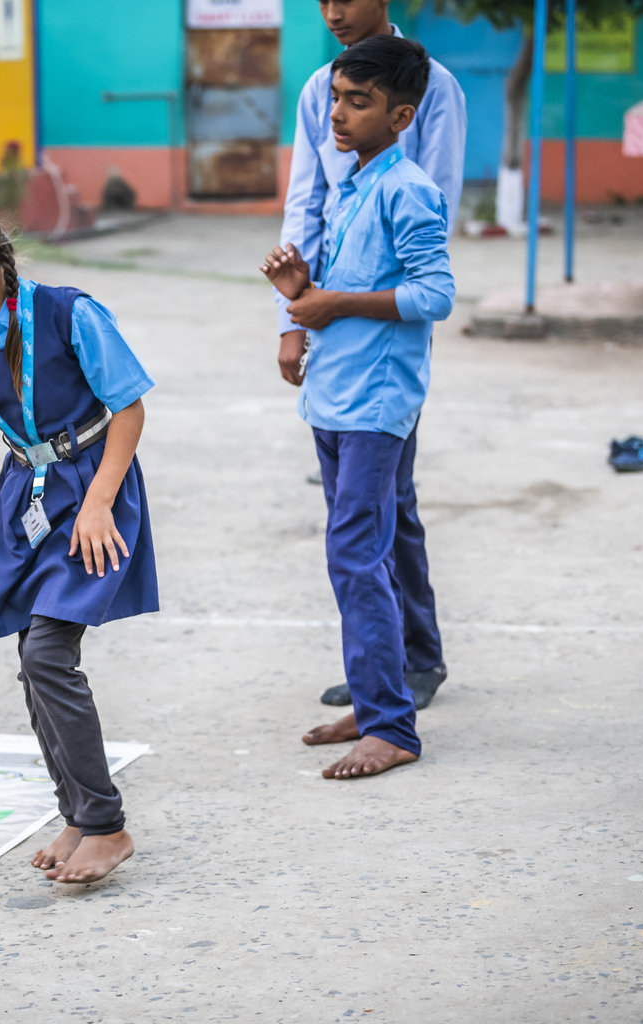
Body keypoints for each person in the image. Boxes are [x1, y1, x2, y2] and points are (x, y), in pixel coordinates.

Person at [0, 197, 157, 883]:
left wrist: (101, 502)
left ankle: (106, 824)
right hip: (27, 498)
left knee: (48, 652)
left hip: (92, 488)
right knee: (33, 659)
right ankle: (77, 812)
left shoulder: (69, 313)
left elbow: (129, 407)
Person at [261, 34, 455, 778]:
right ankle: (380, 697)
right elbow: (344, 289)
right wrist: (303, 292)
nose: (338, 114)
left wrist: (333, 300)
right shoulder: (353, 181)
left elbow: (435, 294)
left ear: (401, 116)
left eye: (359, 102)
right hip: (336, 395)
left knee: (355, 553)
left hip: (376, 402)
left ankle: (392, 726)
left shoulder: (407, 188)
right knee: (368, 545)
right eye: (337, 98)